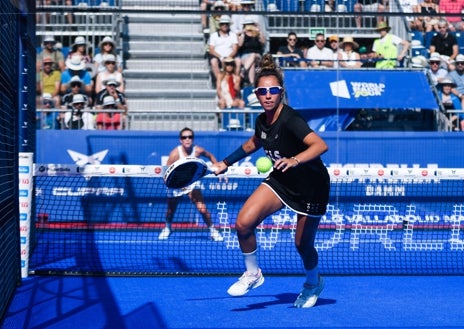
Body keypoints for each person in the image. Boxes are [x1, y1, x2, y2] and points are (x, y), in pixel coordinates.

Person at [213, 54, 330, 308]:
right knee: (243, 223)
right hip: (283, 179)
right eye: (262, 91)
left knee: (302, 244)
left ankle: (313, 283)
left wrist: (295, 160)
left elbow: (320, 145)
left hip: (311, 187)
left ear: (281, 92)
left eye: (273, 91)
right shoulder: (261, 120)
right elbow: (254, 142)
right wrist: (226, 162)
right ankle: (253, 273)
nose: (267, 95)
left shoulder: (291, 119)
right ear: (256, 93)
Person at [158, 128, 224, 242]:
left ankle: (213, 230)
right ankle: (168, 227)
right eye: (184, 137)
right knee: (170, 211)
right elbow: (166, 173)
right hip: (176, 184)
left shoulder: (198, 150)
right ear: (180, 140)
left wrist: (217, 166)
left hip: (192, 183)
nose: (187, 139)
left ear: (192, 139)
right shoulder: (174, 154)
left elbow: (209, 155)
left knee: (202, 209)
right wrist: (177, 184)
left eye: (190, 137)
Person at [208, 15, 240, 87]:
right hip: (218, 57)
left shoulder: (233, 35)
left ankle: (235, 81)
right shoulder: (214, 35)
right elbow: (211, 50)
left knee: (238, 61)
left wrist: (228, 58)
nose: (224, 25)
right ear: (220, 25)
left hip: (230, 56)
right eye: (223, 24)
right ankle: (221, 82)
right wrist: (221, 57)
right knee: (213, 62)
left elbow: (235, 49)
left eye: (226, 24)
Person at [237, 18, 265, 85]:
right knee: (252, 64)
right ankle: (252, 83)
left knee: (253, 55)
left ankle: (243, 71)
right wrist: (243, 33)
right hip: (245, 56)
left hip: (257, 55)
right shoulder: (242, 35)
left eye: (250, 24)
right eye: (247, 25)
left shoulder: (257, 35)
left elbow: (263, 42)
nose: (249, 26)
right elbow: (240, 44)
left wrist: (259, 31)